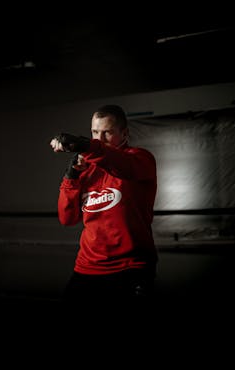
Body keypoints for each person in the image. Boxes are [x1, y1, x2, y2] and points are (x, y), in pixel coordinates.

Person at [49, 104, 158, 314]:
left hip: (131, 266)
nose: (99, 139)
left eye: (107, 132)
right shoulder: (86, 167)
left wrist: (86, 146)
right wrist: (71, 176)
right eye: (94, 132)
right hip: (88, 266)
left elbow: (120, 165)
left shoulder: (141, 159)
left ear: (124, 133)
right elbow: (68, 218)